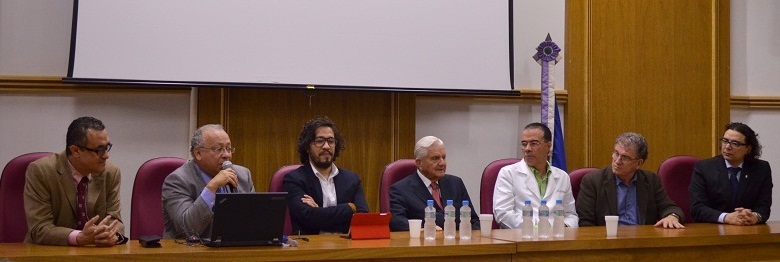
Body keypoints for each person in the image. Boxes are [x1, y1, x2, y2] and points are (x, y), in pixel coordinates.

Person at [24, 116, 127, 246]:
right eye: (99, 150)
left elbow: (115, 220)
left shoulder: (110, 172)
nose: (106, 155)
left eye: (107, 147)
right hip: (49, 254)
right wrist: (78, 237)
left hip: (94, 254)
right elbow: (39, 228)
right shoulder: (41, 171)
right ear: (76, 151)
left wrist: (111, 234)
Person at [162, 124, 255, 239]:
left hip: (234, 251)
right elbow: (187, 230)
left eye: (229, 148)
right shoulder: (177, 180)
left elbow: (252, 222)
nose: (226, 155)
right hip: (192, 252)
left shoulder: (243, 175)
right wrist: (212, 187)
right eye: (218, 149)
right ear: (198, 153)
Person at [576, 132, 684, 229]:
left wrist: (672, 216)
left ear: (639, 163)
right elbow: (585, 223)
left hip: (642, 242)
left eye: (625, 158)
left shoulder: (651, 180)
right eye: (616, 153)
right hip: (608, 243)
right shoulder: (593, 181)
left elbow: (669, 207)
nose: (617, 161)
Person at [283, 117, 369, 235]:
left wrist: (318, 211)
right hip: (310, 248)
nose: (326, 146)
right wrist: (350, 208)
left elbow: (362, 216)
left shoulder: (352, 179)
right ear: (307, 146)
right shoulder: (294, 179)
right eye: (320, 141)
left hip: (346, 246)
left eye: (330, 141)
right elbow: (308, 217)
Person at [493, 123, 578, 228]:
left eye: (534, 143)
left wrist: (561, 227)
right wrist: (535, 229)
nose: (527, 149)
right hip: (522, 237)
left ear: (548, 146)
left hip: (557, 238)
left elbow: (571, 215)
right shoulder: (508, 173)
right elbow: (503, 213)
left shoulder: (562, 176)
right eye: (524, 144)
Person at [389, 136, 480, 232]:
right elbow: (397, 223)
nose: (442, 163)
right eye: (435, 158)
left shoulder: (456, 183)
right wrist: (422, 229)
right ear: (419, 163)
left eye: (444, 157)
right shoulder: (400, 190)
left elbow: (474, 221)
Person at [689, 122, 772, 225]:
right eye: (725, 141)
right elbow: (697, 208)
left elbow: (763, 207)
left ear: (748, 149)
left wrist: (754, 217)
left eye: (735, 143)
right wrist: (726, 217)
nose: (727, 147)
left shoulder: (761, 169)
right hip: (713, 230)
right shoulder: (704, 168)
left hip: (748, 229)